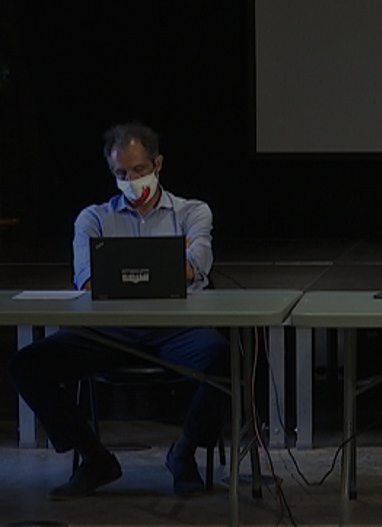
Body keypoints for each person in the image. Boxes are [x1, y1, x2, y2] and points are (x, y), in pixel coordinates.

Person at [8, 122, 229, 499]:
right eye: (121, 173)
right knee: (26, 365)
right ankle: (95, 458)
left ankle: (183, 453)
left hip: (177, 328)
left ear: (158, 164)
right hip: (107, 331)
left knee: (224, 360)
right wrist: (166, 267)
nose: (131, 180)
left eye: (139, 170)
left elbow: (197, 266)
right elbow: (86, 280)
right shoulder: (92, 218)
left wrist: (128, 272)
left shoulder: (192, 212)